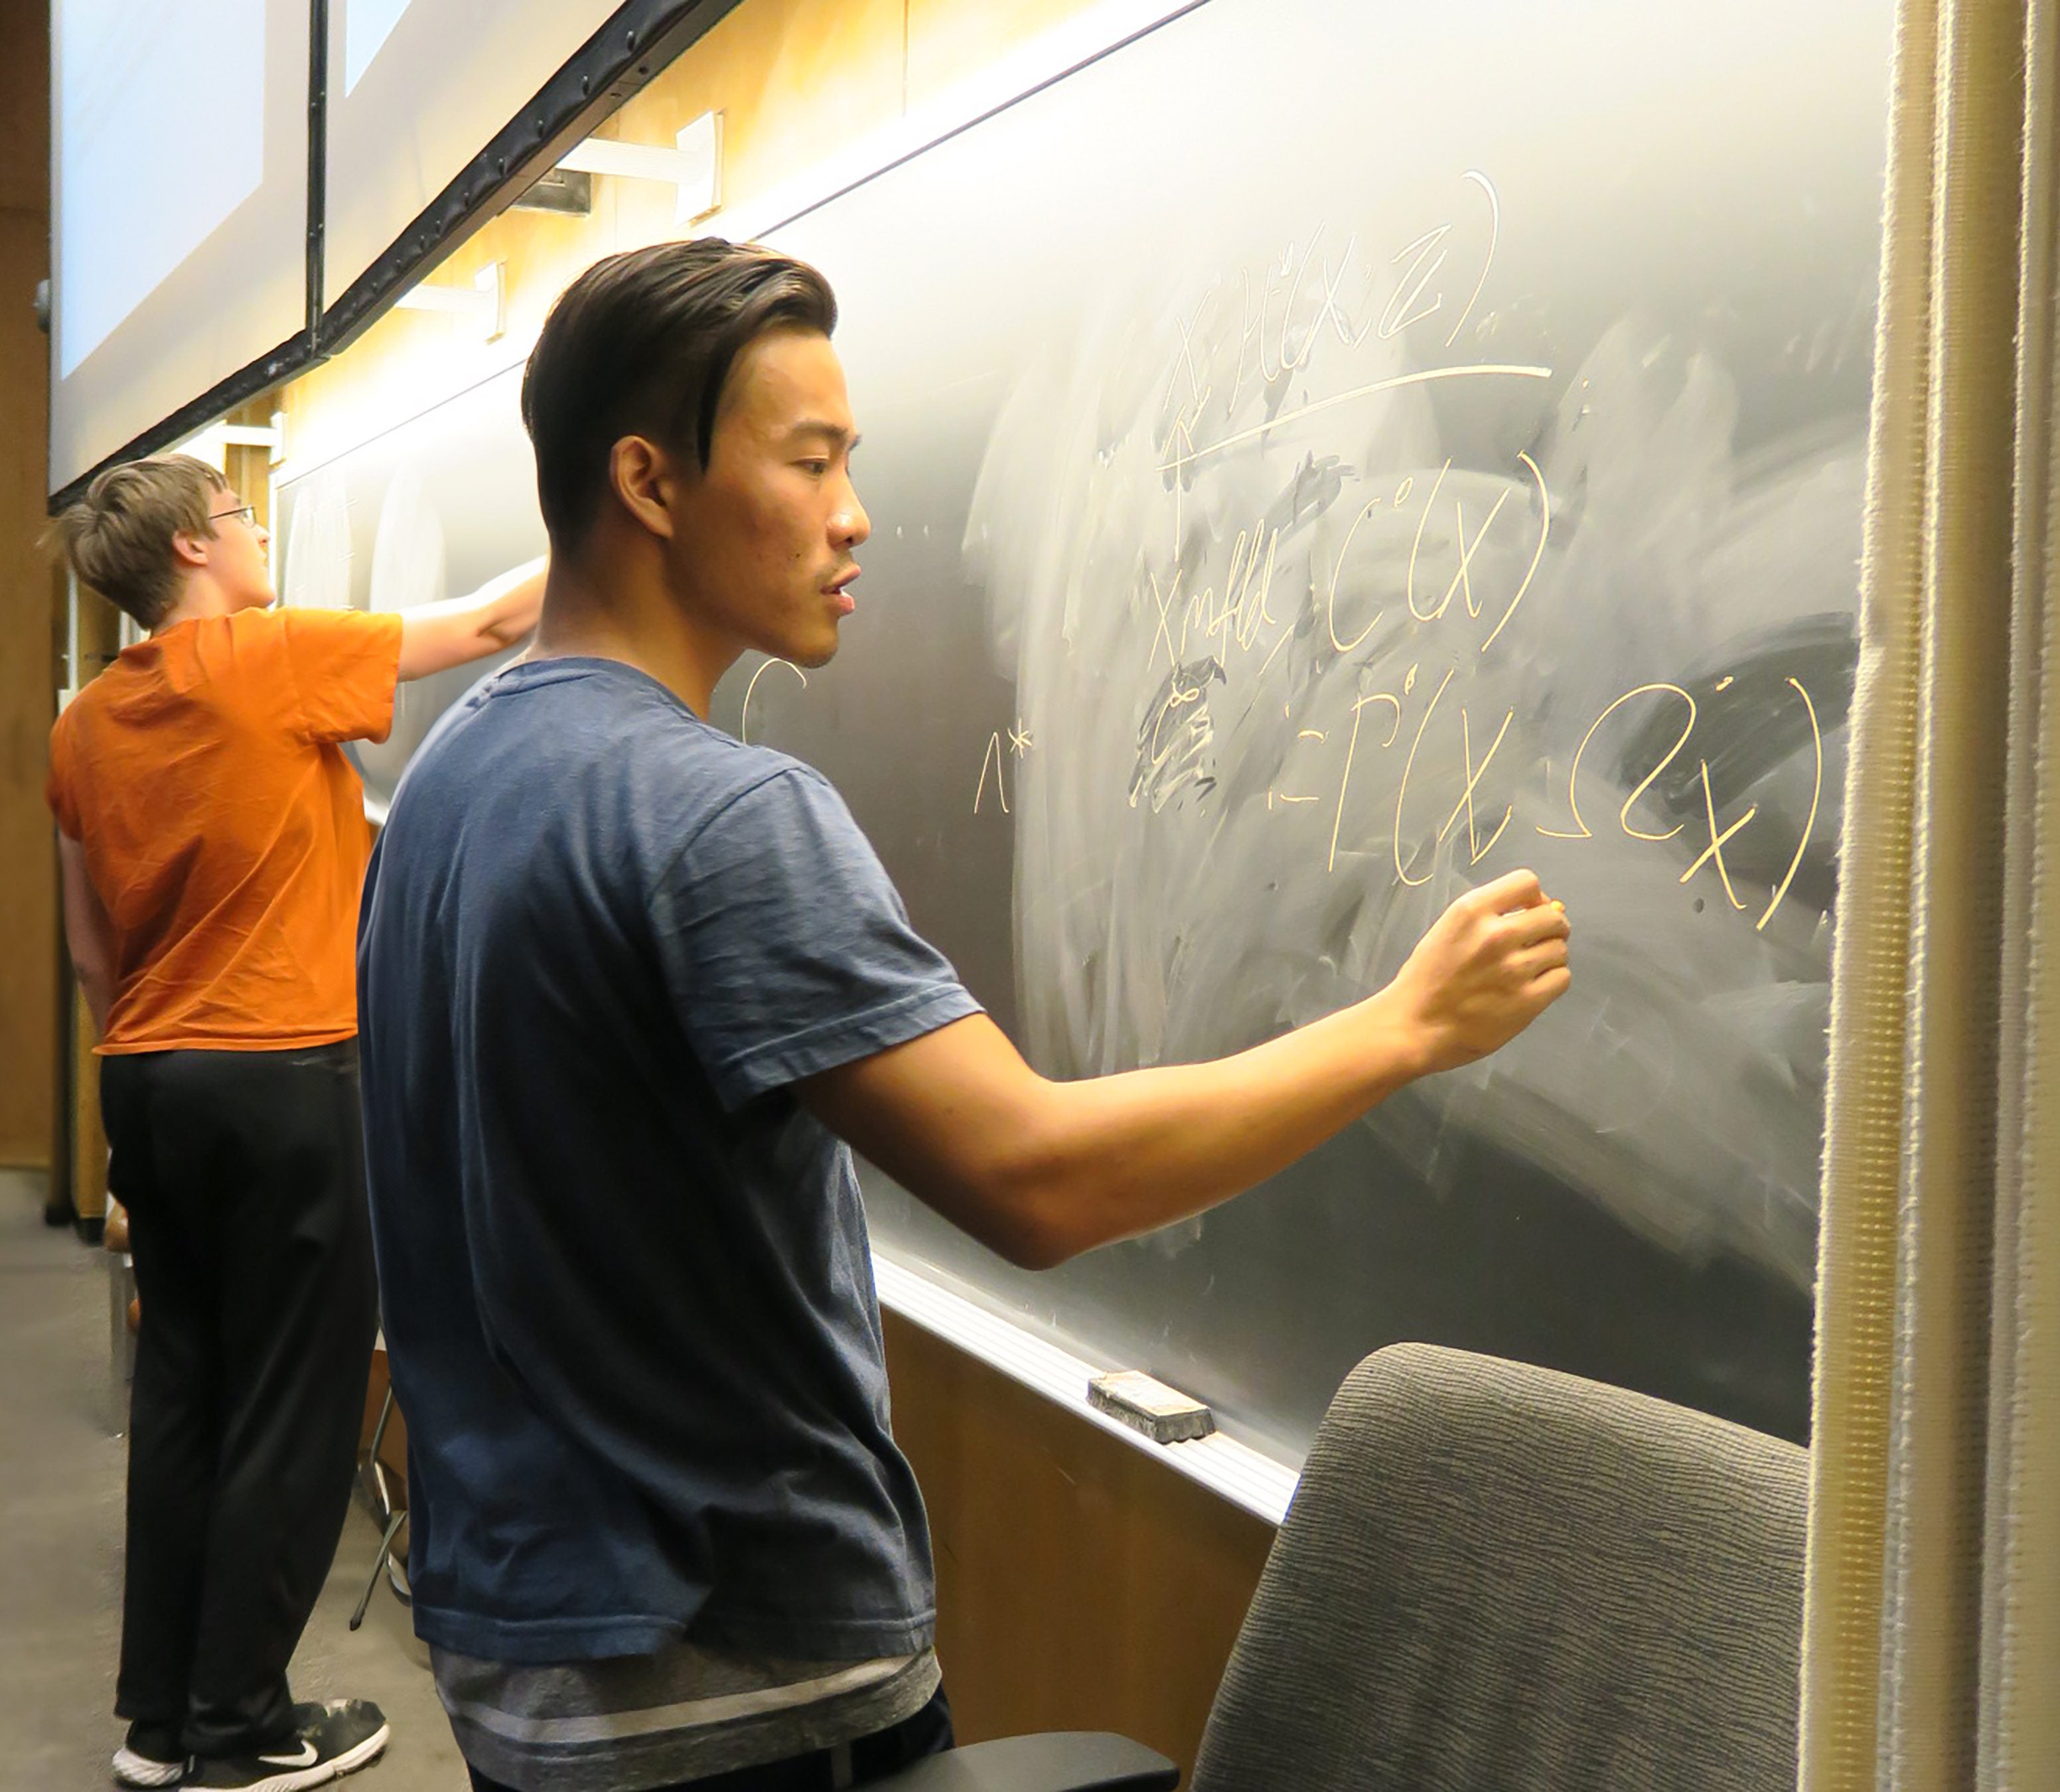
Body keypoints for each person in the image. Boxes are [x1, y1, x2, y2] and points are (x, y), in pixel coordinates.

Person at [355, 238, 1572, 1792]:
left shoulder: (455, 772)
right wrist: (1403, 1027)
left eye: (850, 461)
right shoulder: (719, 819)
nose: (856, 513)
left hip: (525, 1664)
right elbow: (1037, 1177)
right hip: (738, 1694)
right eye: (809, 462)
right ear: (651, 482)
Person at [46, 453, 546, 1792]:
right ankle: (244, 1730)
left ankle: (162, 1719)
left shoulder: (85, 721)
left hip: (148, 1079)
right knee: (296, 1408)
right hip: (283, 1075)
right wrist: (623, 502)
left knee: (191, 1390)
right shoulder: (268, 657)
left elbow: (93, 951)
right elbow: (499, 621)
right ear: (197, 554)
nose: (256, 530)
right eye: (239, 515)